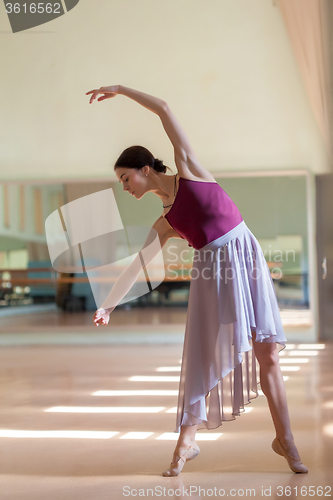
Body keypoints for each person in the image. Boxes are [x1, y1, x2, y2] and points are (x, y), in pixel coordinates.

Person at [86, 85, 308, 476]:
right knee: (203, 361)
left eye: (125, 178)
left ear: (145, 170)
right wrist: (108, 304)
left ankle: (285, 440)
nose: (125, 187)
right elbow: (137, 264)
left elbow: (165, 108)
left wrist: (119, 89)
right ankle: (185, 445)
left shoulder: (189, 170)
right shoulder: (166, 221)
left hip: (245, 257)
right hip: (212, 276)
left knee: (268, 353)